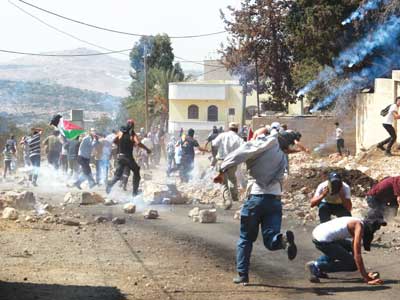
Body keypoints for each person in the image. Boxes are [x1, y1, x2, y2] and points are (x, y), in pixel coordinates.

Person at [214, 131, 301, 284]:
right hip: (274, 202)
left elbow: (240, 153)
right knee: (270, 239)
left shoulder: (265, 145)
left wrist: (222, 169)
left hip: (256, 199)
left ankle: (243, 275)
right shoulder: (281, 156)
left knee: (245, 239)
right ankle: (282, 240)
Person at [306, 217, 386, 285]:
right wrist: (366, 278)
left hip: (319, 232)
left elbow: (353, 248)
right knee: (353, 264)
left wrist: (365, 273)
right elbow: (357, 254)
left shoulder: (359, 221)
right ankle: (317, 266)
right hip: (322, 240)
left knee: (348, 246)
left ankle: (318, 264)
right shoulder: (359, 227)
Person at [106, 120, 151, 197]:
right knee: (136, 171)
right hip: (128, 158)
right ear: (133, 126)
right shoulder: (132, 134)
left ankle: (109, 185)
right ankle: (134, 193)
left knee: (118, 175)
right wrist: (147, 149)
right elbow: (138, 143)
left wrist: (120, 145)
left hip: (120, 157)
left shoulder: (120, 133)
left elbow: (114, 140)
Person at [212, 122, 244, 209]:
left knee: (223, 182)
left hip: (221, 161)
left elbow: (214, 144)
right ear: (237, 129)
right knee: (232, 179)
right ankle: (235, 198)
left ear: (229, 128)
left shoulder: (222, 135)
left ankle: (227, 199)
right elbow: (243, 150)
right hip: (232, 162)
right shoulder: (239, 139)